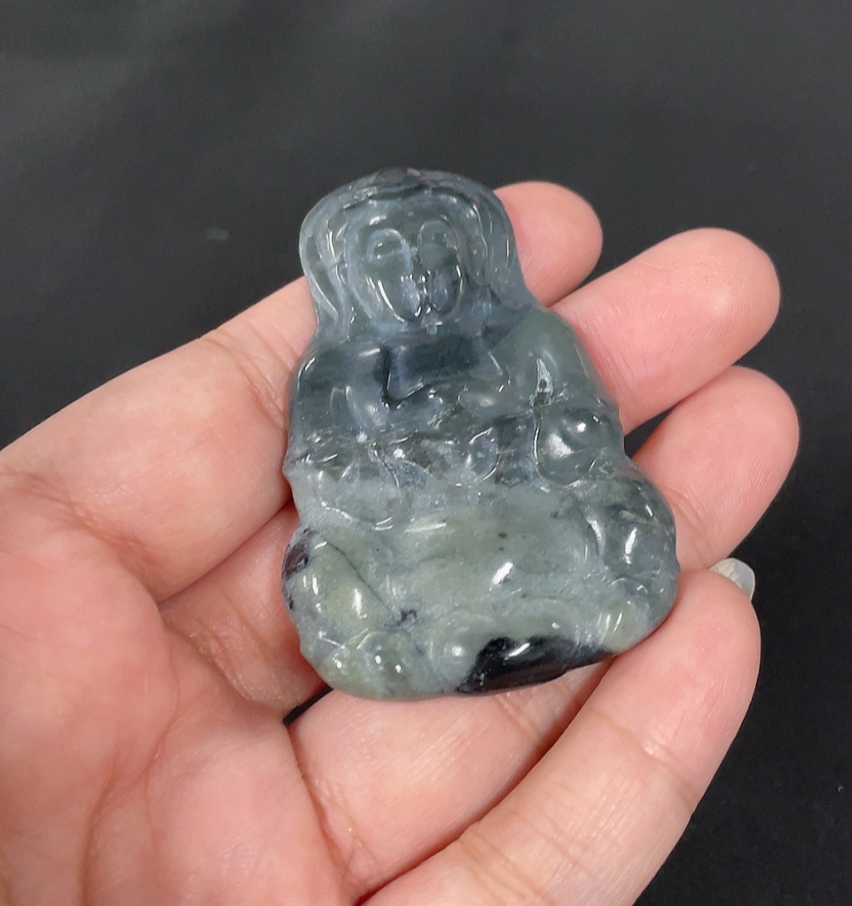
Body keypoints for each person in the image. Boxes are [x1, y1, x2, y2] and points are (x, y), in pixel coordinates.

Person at [0, 181, 798, 905]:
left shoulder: (534, 339)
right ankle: (424, 637)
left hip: (534, 520)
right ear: (350, 279)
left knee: (621, 507)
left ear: (477, 259)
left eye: (437, 251)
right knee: (332, 565)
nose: (418, 275)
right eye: (388, 257)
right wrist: (411, 467)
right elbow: (329, 481)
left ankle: (579, 603)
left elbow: (584, 436)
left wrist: (511, 445)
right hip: (419, 546)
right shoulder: (336, 372)